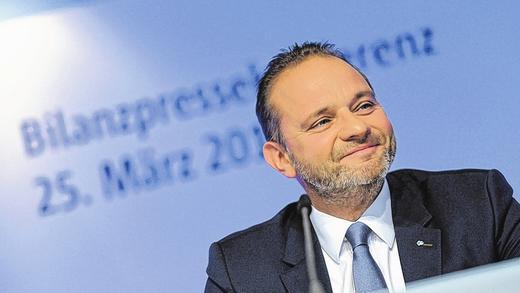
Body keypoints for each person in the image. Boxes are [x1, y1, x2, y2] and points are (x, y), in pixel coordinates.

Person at [204, 42, 520, 293]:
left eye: (364, 105)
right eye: (322, 121)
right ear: (281, 158)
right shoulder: (241, 271)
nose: (357, 127)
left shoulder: (479, 205)